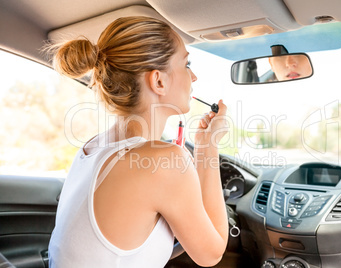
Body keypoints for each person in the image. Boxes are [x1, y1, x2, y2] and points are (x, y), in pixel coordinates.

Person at [48, 16, 229, 267]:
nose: (194, 77)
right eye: (187, 64)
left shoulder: (92, 147)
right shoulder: (163, 161)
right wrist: (209, 147)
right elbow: (211, 254)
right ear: (159, 81)